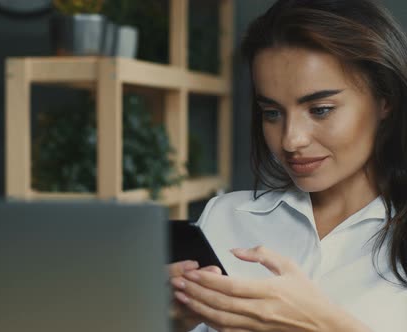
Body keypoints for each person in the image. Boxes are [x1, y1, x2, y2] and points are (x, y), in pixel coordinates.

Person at [168, 0, 407, 331]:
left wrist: (324, 325)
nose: (291, 140)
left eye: (320, 109)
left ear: (385, 101)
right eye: (272, 113)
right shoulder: (225, 217)